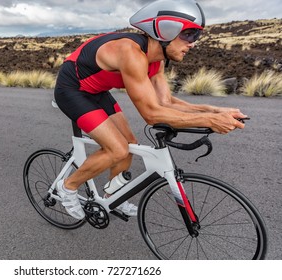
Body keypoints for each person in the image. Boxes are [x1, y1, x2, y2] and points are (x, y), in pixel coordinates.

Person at [53, 0, 247, 220]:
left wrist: (215, 112)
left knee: (130, 146)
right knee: (117, 149)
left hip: (98, 91)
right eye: (190, 35)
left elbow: (165, 102)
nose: (193, 44)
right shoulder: (131, 52)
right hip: (72, 90)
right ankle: (67, 187)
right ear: (166, 31)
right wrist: (209, 121)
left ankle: (112, 196)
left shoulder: (157, 59)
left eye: (196, 37)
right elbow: (152, 114)